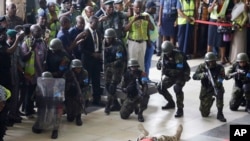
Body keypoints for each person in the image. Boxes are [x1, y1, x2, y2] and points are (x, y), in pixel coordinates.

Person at [156, 41, 190, 118]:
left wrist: (167, 71)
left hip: (181, 75)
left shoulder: (178, 55)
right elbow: (158, 66)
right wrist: (159, 64)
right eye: (165, 53)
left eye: (168, 52)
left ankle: (180, 108)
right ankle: (171, 102)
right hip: (171, 75)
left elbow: (179, 70)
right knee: (160, 87)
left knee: (177, 88)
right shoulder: (163, 55)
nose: (167, 54)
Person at [21, 24, 47, 117]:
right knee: (29, 92)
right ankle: (28, 111)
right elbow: (24, 57)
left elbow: (44, 55)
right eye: (37, 31)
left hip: (40, 72)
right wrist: (31, 49)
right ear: (32, 33)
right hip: (31, 73)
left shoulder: (42, 42)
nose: (40, 33)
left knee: (36, 92)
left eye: (40, 31)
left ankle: (32, 109)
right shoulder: (26, 42)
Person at [192, 52, 227, 122]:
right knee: (204, 114)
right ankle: (210, 101)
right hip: (206, 87)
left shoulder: (220, 67)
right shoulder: (202, 66)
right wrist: (203, 75)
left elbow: (222, 77)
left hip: (216, 86)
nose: (211, 63)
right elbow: (194, 76)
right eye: (209, 62)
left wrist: (217, 83)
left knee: (220, 94)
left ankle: (220, 113)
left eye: (213, 61)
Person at [32, 71, 65, 139]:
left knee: (57, 114)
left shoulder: (55, 87)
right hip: (43, 104)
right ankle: (40, 125)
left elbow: (59, 96)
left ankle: (55, 130)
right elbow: (35, 96)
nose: (47, 81)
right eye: (45, 80)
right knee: (40, 117)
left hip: (54, 104)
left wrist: (57, 101)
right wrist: (36, 97)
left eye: (48, 80)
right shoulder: (40, 87)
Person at [79, 16, 103, 106]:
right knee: (86, 81)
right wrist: (92, 54)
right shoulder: (85, 33)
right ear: (90, 23)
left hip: (96, 60)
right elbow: (81, 48)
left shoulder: (98, 32)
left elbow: (99, 45)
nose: (97, 25)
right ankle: (85, 100)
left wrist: (99, 53)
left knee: (96, 80)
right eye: (95, 23)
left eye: (98, 23)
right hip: (88, 60)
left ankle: (97, 99)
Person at [124, 0, 154, 72]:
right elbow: (125, 29)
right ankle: (132, 81)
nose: (138, 9)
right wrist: (133, 20)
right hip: (133, 43)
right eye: (137, 7)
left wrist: (149, 21)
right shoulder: (129, 16)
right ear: (133, 7)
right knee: (132, 64)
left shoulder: (145, 16)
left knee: (141, 64)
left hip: (143, 43)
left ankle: (140, 80)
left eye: (140, 7)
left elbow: (151, 28)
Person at [102, 28, 127, 115]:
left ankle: (108, 106)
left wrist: (109, 64)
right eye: (107, 38)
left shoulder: (118, 46)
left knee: (112, 86)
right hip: (108, 68)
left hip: (117, 68)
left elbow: (119, 60)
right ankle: (115, 103)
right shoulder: (104, 43)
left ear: (113, 38)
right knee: (107, 85)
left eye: (110, 38)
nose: (108, 40)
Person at [64, 59, 92, 126]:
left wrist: (79, 85)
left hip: (81, 90)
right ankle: (70, 113)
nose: (78, 70)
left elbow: (86, 83)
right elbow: (63, 82)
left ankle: (78, 116)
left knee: (80, 100)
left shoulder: (84, 73)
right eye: (76, 68)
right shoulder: (68, 73)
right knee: (70, 118)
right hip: (70, 91)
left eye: (79, 68)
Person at [207, 0, 234, 64]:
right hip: (212, 21)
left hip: (222, 21)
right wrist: (213, 5)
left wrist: (224, 18)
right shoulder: (213, 0)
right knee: (210, 40)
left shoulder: (228, 1)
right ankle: (208, 57)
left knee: (221, 41)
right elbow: (209, 10)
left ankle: (222, 58)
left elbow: (230, 13)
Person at [143, 1, 158, 80]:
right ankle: (145, 78)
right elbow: (146, 30)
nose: (155, 10)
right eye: (153, 8)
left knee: (148, 62)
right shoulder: (146, 16)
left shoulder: (149, 15)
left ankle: (146, 77)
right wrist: (148, 42)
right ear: (148, 8)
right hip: (148, 42)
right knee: (146, 62)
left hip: (151, 42)